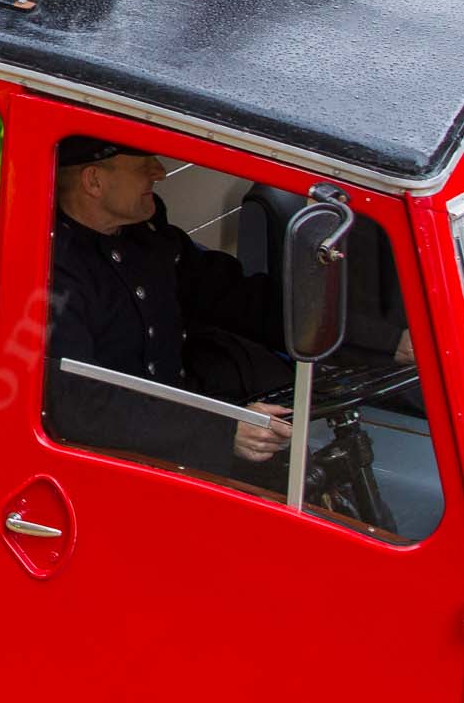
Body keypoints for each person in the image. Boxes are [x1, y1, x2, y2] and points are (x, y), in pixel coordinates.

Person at [45, 137, 294, 477]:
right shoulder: (53, 273)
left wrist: (357, 334)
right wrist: (221, 431)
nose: (159, 172)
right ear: (94, 182)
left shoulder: (146, 239)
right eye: (141, 162)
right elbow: (82, 407)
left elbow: (235, 297)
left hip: (181, 437)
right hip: (117, 470)